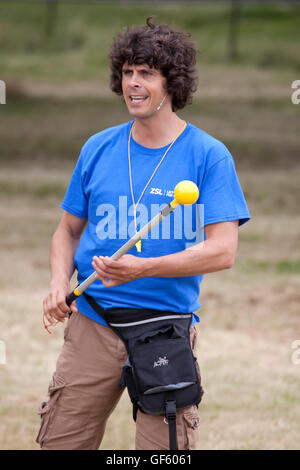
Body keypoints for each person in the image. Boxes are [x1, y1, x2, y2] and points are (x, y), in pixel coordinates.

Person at [37, 17, 250, 450]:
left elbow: (223, 251)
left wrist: (144, 268)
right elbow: (66, 231)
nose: (133, 83)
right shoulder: (98, 147)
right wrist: (59, 283)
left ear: (171, 82)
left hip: (164, 330)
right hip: (93, 322)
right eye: (128, 72)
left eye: (146, 73)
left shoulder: (208, 155)